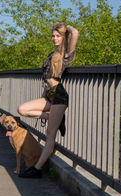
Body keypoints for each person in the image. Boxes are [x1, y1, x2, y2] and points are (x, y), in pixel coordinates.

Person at [17, 22, 79, 178]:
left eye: (58, 36)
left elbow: (76, 33)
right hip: (49, 95)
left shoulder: (66, 54)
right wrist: (44, 95)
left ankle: (36, 169)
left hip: (59, 96)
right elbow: (46, 77)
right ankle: (57, 118)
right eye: (53, 35)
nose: (54, 38)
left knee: (50, 135)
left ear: (64, 37)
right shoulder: (52, 54)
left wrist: (66, 28)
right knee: (22, 109)